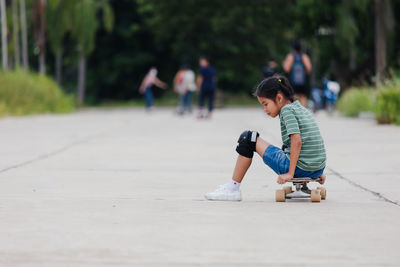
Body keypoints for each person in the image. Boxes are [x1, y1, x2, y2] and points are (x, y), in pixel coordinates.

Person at [205, 75, 326, 201]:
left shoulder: (286, 111)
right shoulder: (301, 108)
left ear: (279, 98)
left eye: (265, 104)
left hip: (299, 169)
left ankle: (233, 189)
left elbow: (297, 141)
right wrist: (317, 170)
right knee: (285, 146)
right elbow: (313, 138)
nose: (265, 109)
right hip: (316, 169)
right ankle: (232, 188)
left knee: (248, 138)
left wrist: (290, 173)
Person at [282, 41, 312, 107]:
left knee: (293, 95)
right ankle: (303, 112)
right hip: (302, 81)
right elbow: (309, 69)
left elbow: (286, 69)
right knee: (303, 96)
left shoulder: (290, 56)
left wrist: (284, 63)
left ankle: (295, 111)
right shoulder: (304, 56)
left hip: (293, 81)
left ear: (293, 49)